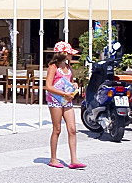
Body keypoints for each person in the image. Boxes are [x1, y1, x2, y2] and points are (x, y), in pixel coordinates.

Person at [45, 41, 85, 169]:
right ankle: (53, 158)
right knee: (57, 129)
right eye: (70, 54)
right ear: (64, 54)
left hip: (67, 100)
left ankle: (74, 159)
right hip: (55, 100)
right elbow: (48, 86)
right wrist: (63, 94)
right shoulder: (53, 67)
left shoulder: (68, 68)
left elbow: (70, 81)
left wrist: (74, 86)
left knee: (72, 129)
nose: (71, 56)